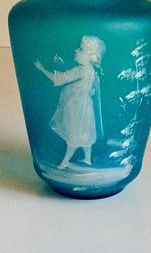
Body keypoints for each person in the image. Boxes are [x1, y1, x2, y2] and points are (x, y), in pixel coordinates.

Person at [34, 35, 106, 169]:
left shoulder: (80, 70)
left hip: (76, 109)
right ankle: (87, 160)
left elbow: (59, 79)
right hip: (86, 108)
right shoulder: (92, 72)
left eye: (81, 49)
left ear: (91, 56)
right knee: (85, 134)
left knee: (74, 136)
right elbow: (94, 91)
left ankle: (65, 162)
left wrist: (42, 68)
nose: (76, 50)